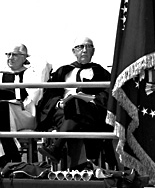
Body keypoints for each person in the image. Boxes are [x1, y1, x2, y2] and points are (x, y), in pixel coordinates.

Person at [37, 37, 114, 166]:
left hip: (91, 111)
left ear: (93, 51)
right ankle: (86, 165)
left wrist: (93, 100)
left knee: (77, 105)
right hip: (62, 111)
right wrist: (58, 103)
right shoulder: (62, 71)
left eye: (88, 47)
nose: (84, 50)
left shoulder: (101, 72)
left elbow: (107, 94)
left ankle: (57, 148)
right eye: (80, 47)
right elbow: (49, 94)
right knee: (74, 109)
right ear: (74, 51)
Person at [0, 44, 51, 170]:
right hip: (0, 112)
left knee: (1, 108)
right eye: (8, 54)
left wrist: (14, 97)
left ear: (24, 57)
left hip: (23, 114)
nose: (10, 58)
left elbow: (33, 98)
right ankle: (12, 152)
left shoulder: (31, 73)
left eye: (14, 54)